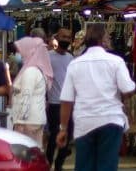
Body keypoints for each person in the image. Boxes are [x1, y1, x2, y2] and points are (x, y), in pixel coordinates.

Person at [57, 22, 136, 171]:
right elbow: (127, 89)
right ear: (103, 39)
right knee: (107, 165)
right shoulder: (116, 62)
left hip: (84, 121)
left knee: (84, 166)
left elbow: (66, 100)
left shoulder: (75, 64)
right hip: (110, 120)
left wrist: (63, 129)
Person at [11, 36, 52, 145]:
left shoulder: (30, 71)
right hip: (35, 119)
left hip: (28, 122)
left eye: (21, 51)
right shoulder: (36, 69)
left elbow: (26, 96)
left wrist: (20, 122)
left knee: (26, 155)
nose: (19, 54)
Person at [47, 26, 76, 171]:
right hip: (53, 103)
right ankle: (48, 164)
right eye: (63, 37)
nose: (65, 40)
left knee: (67, 138)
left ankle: (58, 166)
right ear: (57, 38)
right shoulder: (48, 56)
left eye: (68, 38)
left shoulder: (71, 58)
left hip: (69, 104)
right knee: (53, 138)